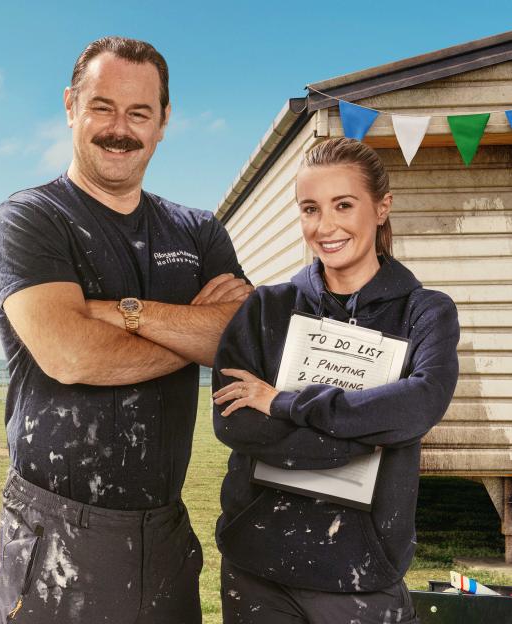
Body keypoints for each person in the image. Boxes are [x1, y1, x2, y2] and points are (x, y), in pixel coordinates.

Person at [0, 36, 251, 623]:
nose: (119, 129)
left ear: (163, 122)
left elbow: (245, 341)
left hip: (165, 531)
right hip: (56, 526)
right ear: (70, 105)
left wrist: (124, 312)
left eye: (139, 113)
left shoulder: (199, 231)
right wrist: (195, 333)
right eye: (102, 107)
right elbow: (71, 355)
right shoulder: (30, 219)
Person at [211, 137, 460, 624]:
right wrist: (363, 437)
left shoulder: (426, 312)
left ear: (382, 207)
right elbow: (233, 422)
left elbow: (418, 405)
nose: (325, 226)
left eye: (343, 205)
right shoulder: (268, 307)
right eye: (310, 209)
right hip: (255, 563)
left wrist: (284, 403)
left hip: (360, 572)